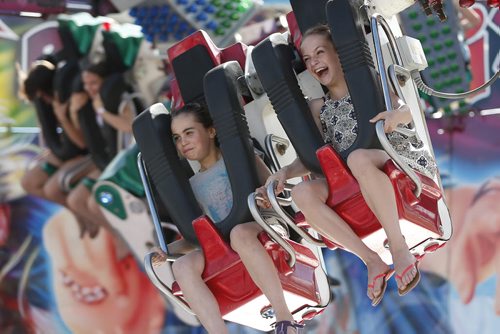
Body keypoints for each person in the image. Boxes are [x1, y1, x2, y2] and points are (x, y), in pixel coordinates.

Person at [257, 25, 437, 307]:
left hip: (394, 160)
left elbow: (406, 111)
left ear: (339, 55)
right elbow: (311, 158)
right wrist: (285, 173)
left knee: (358, 158)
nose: (314, 62)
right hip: (352, 176)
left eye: (320, 53)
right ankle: (372, 260)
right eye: (307, 59)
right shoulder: (319, 108)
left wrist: (393, 117)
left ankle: (399, 248)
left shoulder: (369, 82)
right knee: (302, 194)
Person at [166, 103, 304, 334]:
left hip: (263, 226)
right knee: (182, 265)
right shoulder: (191, 186)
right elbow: (199, 237)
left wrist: (266, 195)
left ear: (211, 131)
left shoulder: (240, 157)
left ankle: (284, 318)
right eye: (177, 137)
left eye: (189, 133)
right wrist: (168, 249)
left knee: (240, 234)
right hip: (224, 242)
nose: (183, 143)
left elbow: (272, 187)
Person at [19, 60, 89, 206]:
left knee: (53, 189)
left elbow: (81, 143)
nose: (44, 101)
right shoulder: (53, 105)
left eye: (43, 96)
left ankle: (90, 222)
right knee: (28, 182)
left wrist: (63, 118)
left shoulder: (70, 102)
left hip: (86, 154)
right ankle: (82, 220)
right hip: (70, 153)